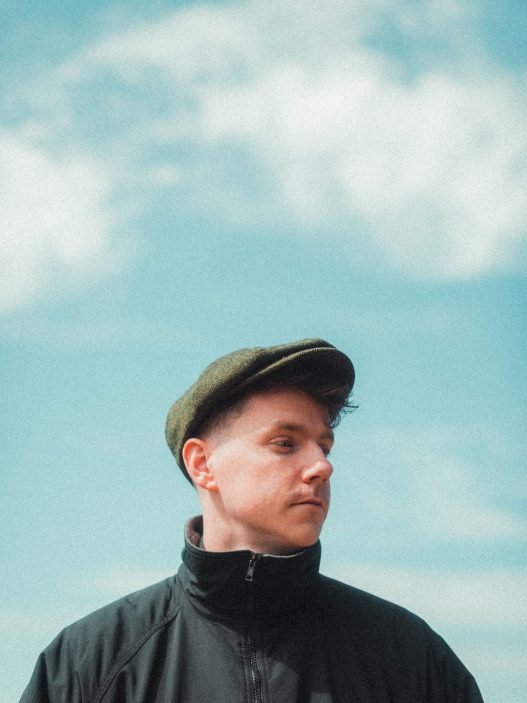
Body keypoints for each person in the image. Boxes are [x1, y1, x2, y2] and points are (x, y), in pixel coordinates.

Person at [20, 338, 483, 702]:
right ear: (203, 464)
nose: (321, 466)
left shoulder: (409, 655)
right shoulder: (90, 662)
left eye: (324, 446)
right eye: (285, 443)